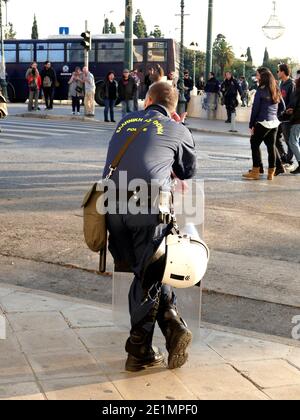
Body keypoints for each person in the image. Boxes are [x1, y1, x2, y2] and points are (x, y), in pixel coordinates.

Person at [103, 82, 197, 372]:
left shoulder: (125, 120)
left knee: (149, 272)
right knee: (150, 274)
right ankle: (139, 348)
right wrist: (179, 129)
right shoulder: (176, 127)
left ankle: (172, 327)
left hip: (111, 205)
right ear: (174, 108)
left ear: (147, 100)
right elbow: (188, 170)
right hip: (147, 205)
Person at [243, 69, 282, 181]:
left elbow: (255, 109)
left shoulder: (260, 90)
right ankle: (271, 173)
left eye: (258, 76)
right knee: (271, 147)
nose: (257, 77)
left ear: (263, 78)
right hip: (274, 123)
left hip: (263, 122)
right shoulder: (276, 89)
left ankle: (256, 171)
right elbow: (281, 106)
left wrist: (251, 124)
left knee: (254, 143)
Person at [277, 64, 296, 166]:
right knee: (277, 138)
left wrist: (286, 111)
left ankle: (289, 160)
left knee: (289, 140)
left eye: (278, 71)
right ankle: (285, 157)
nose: (277, 73)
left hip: (288, 118)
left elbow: (292, 101)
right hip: (280, 117)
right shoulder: (281, 83)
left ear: (283, 72)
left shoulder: (291, 84)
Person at [286, 76, 300, 175]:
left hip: (297, 120)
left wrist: (292, 111)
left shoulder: (298, 91)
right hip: (296, 119)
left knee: (293, 141)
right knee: (294, 141)